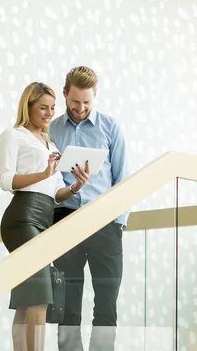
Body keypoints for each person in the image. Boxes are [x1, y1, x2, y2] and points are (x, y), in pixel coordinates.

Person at [0, 82, 90, 351]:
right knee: (39, 296)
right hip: (22, 218)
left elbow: (54, 192)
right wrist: (43, 174)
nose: (49, 113)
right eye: (43, 108)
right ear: (28, 107)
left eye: (52, 108)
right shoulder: (13, 136)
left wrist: (75, 186)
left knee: (27, 298)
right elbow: (5, 180)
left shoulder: (50, 142)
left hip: (44, 218)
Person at [49, 66, 130, 351]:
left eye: (87, 102)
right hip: (64, 218)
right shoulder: (52, 129)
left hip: (105, 222)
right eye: (74, 102)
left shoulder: (111, 127)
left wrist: (118, 222)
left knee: (106, 306)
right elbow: (47, 180)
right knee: (67, 308)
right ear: (64, 95)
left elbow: (123, 180)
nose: (80, 108)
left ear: (95, 97)